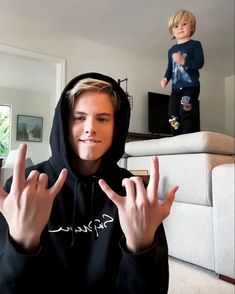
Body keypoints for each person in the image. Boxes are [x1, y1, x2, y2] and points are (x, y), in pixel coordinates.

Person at [0, 72, 178, 294]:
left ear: (117, 127)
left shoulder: (133, 194)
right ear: (64, 123)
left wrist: (140, 247)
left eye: (102, 118)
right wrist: (22, 242)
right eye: (79, 117)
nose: (90, 128)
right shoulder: (23, 188)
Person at [161, 10, 204, 136]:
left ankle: (187, 136)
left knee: (185, 110)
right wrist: (165, 78)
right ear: (172, 31)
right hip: (175, 89)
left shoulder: (195, 45)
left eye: (184, 24)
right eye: (176, 26)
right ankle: (175, 137)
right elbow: (170, 67)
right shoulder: (171, 50)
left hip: (191, 87)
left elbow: (199, 63)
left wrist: (184, 61)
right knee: (172, 114)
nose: (180, 28)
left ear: (192, 27)